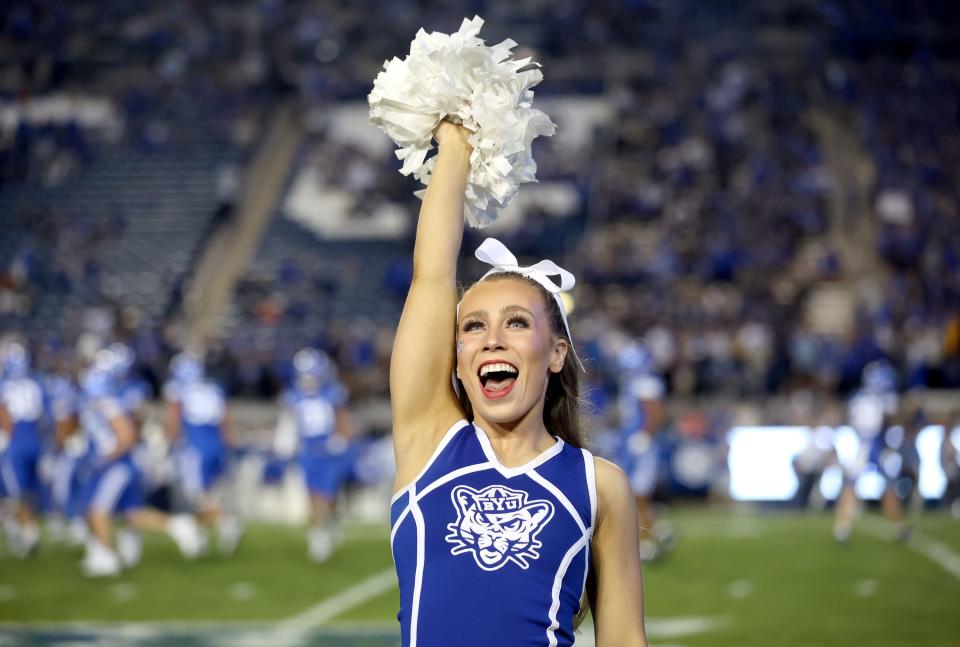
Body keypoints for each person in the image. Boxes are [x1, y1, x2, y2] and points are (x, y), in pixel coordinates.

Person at [389, 122, 646, 646]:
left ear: (555, 354)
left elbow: (623, 640)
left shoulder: (601, 486)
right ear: (456, 358)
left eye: (517, 323)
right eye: (474, 326)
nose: (492, 341)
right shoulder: (429, 443)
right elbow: (432, 275)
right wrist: (455, 141)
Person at [78, 351, 203, 576]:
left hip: (118, 465)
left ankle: (106, 557)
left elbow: (126, 436)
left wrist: (103, 459)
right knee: (131, 513)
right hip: (124, 463)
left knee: (98, 509)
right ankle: (177, 526)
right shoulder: (116, 398)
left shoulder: (109, 402)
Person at [163, 352, 242, 556]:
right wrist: (227, 447)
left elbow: (173, 420)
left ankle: (224, 523)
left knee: (194, 495)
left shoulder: (178, 388)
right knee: (204, 494)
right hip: (215, 444)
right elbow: (226, 421)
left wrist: (169, 443)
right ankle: (201, 534)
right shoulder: (214, 388)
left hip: (195, 446)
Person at [280, 347, 353, 562]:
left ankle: (327, 523)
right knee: (312, 493)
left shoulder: (332, 392)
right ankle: (317, 535)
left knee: (328, 495)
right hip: (308, 448)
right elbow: (289, 422)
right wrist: (286, 442)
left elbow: (343, 420)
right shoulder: (293, 395)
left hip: (328, 447)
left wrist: (340, 438)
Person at [832, 359, 906, 543]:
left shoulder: (857, 396)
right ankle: (897, 525)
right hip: (873, 444)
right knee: (886, 485)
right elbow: (890, 420)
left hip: (860, 444)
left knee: (852, 486)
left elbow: (850, 419)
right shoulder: (882, 398)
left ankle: (842, 528)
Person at [0, 342, 45, 557]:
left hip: (15, 442)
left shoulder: (4, 385)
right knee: (27, 491)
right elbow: (41, 415)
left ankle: (28, 532)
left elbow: (5, 416)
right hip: (34, 440)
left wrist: (7, 439)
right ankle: (23, 527)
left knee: (14, 493)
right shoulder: (35, 383)